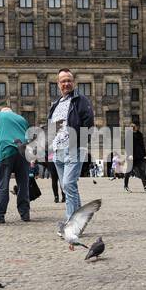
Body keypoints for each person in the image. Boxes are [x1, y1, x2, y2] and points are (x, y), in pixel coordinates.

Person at [48, 68, 94, 220]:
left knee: (68, 185)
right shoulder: (55, 104)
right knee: (68, 188)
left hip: (73, 149)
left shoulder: (81, 100)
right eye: (63, 81)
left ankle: (71, 224)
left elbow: (89, 123)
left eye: (69, 80)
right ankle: (80, 220)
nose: (66, 83)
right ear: (58, 83)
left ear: (73, 82)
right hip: (58, 151)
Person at [0, 102, 31, 223]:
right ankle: (25, 214)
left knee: (3, 185)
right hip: (23, 152)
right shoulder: (22, 119)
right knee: (23, 185)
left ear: (2, 111)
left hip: (6, 151)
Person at [124, 120, 146, 192]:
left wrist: (144, 155)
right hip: (131, 156)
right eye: (132, 126)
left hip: (138, 156)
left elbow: (142, 146)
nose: (134, 127)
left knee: (141, 171)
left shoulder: (140, 134)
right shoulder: (129, 134)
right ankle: (126, 186)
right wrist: (129, 155)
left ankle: (145, 187)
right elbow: (126, 145)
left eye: (135, 126)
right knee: (128, 172)